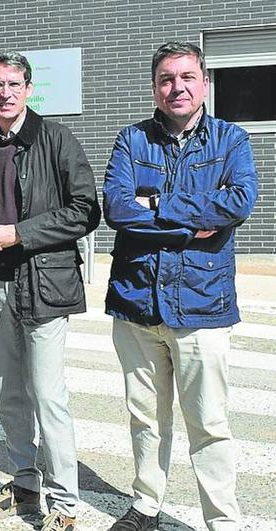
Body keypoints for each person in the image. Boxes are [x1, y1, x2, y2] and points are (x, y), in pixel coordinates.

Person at [103, 41, 258, 531]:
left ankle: (223, 521)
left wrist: (157, 206)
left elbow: (237, 203)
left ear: (205, 83)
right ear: (155, 86)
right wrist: (192, 220)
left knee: (209, 424)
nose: (178, 87)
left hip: (202, 303)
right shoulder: (132, 140)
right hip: (137, 302)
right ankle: (146, 503)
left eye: (188, 77)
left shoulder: (230, 140)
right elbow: (117, 209)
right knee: (146, 417)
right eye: (167, 79)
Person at [0, 52, 101, 531]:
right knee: (10, 396)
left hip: (44, 286)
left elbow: (85, 210)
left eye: (13, 84)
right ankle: (24, 483)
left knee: (48, 396)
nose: (5, 93)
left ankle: (64, 504)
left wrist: (20, 233)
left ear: (28, 88)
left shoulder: (56, 139)